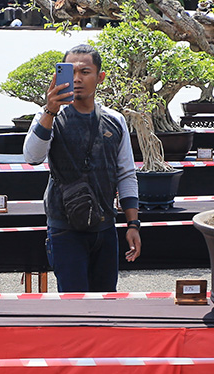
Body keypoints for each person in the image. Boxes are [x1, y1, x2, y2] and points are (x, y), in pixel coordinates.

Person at [22, 43, 140, 293]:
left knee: (106, 303)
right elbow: (32, 157)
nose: (77, 78)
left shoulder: (115, 120)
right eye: (71, 71)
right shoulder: (49, 117)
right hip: (65, 228)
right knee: (73, 305)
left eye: (85, 72)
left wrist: (133, 224)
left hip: (105, 226)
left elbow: (126, 174)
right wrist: (50, 111)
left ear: (100, 77)